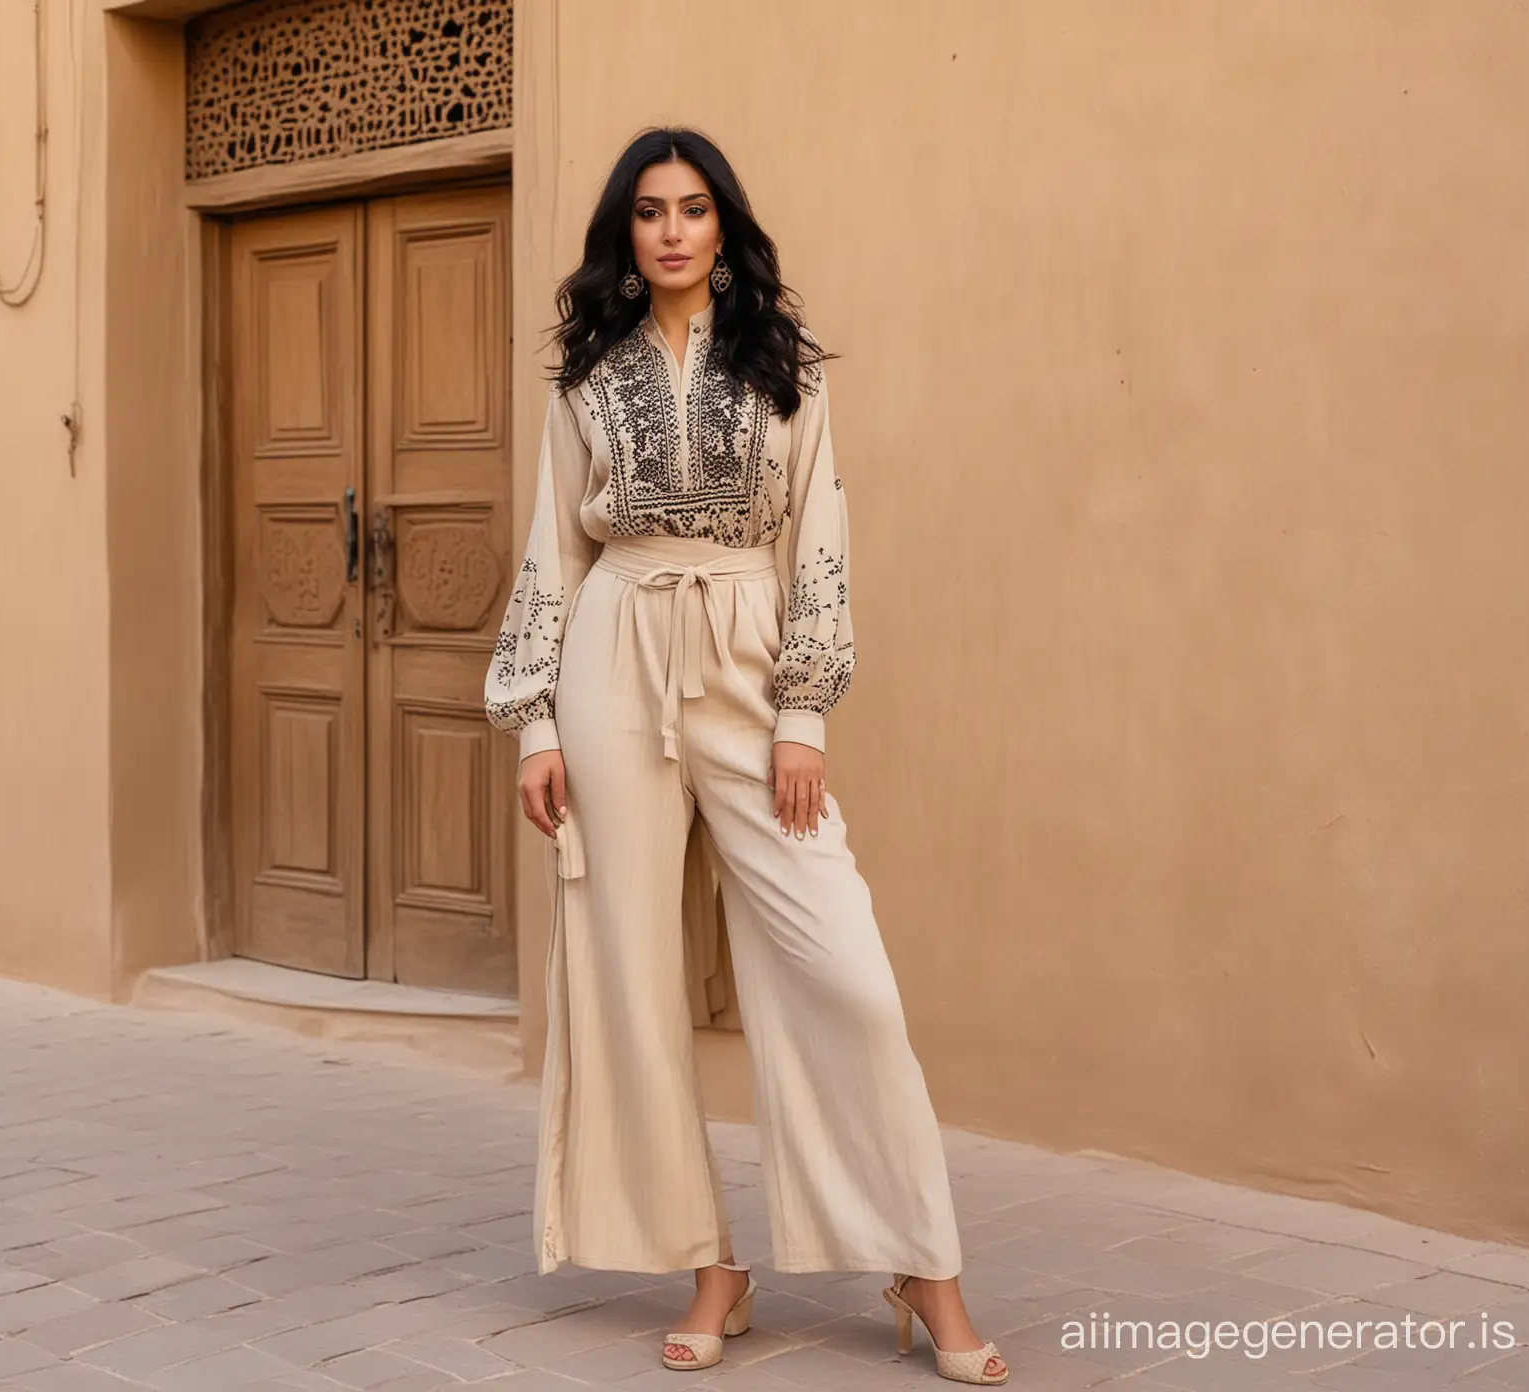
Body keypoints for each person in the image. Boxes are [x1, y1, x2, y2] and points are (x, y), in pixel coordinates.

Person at [484, 126, 1007, 1386]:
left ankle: (921, 1262)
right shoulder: (584, 377)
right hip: (613, 650)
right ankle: (710, 1263)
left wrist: (802, 714)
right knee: (626, 971)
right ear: (627, 233)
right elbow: (555, 547)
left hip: (746, 653)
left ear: (725, 229)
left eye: (695, 208)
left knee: (846, 972)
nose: (672, 228)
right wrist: (539, 720)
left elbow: (818, 532)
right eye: (651, 211)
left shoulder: (787, 368)